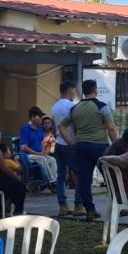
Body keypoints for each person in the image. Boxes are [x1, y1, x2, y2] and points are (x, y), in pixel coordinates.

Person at [58, 79, 119, 221]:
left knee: (84, 179)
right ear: (95, 90)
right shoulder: (102, 106)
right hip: (100, 146)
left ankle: (89, 209)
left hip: (81, 146)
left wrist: (71, 142)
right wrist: (116, 145)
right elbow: (111, 127)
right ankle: (118, 206)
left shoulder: (75, 109)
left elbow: (61, 126)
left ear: (83, 92)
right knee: (111, 176)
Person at [51, 80, 78, 216]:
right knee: (78, 174)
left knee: (61, 176)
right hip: (70, 143)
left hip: (59, 143)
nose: (75, 94)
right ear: (70, 92)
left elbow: (52, 124)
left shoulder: (54, 106)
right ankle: (79, 205)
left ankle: (63, 205)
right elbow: (77, 124)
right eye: (74, 92)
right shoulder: (72, 106)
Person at [18, 106, 52, 190]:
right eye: (39, 116)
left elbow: (41, 142)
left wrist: (43, 152)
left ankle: (54, 181)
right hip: (27, 155)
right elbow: (24, 147)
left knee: (52, 160)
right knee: (42, 159)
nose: (41, 118)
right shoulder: (26, 128)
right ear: (33, 117)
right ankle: (48, 180)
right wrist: (39, 154)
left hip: (38, 154)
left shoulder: (40, 128)